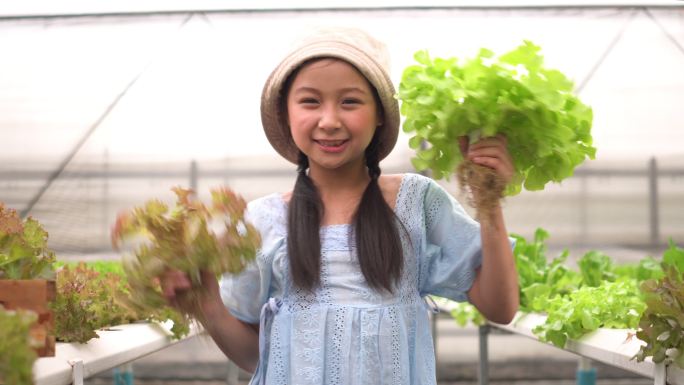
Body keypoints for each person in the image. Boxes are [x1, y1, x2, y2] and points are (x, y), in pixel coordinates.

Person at [162, 27, 519, 385]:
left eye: (350, 101)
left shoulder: (415, 202)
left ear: (379, 113)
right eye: (310, 101)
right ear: (286, 114)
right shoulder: (264, 221)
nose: (329, 121)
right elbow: (255, 356)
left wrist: (488, 199)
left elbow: (500, 308)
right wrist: (208, 304)